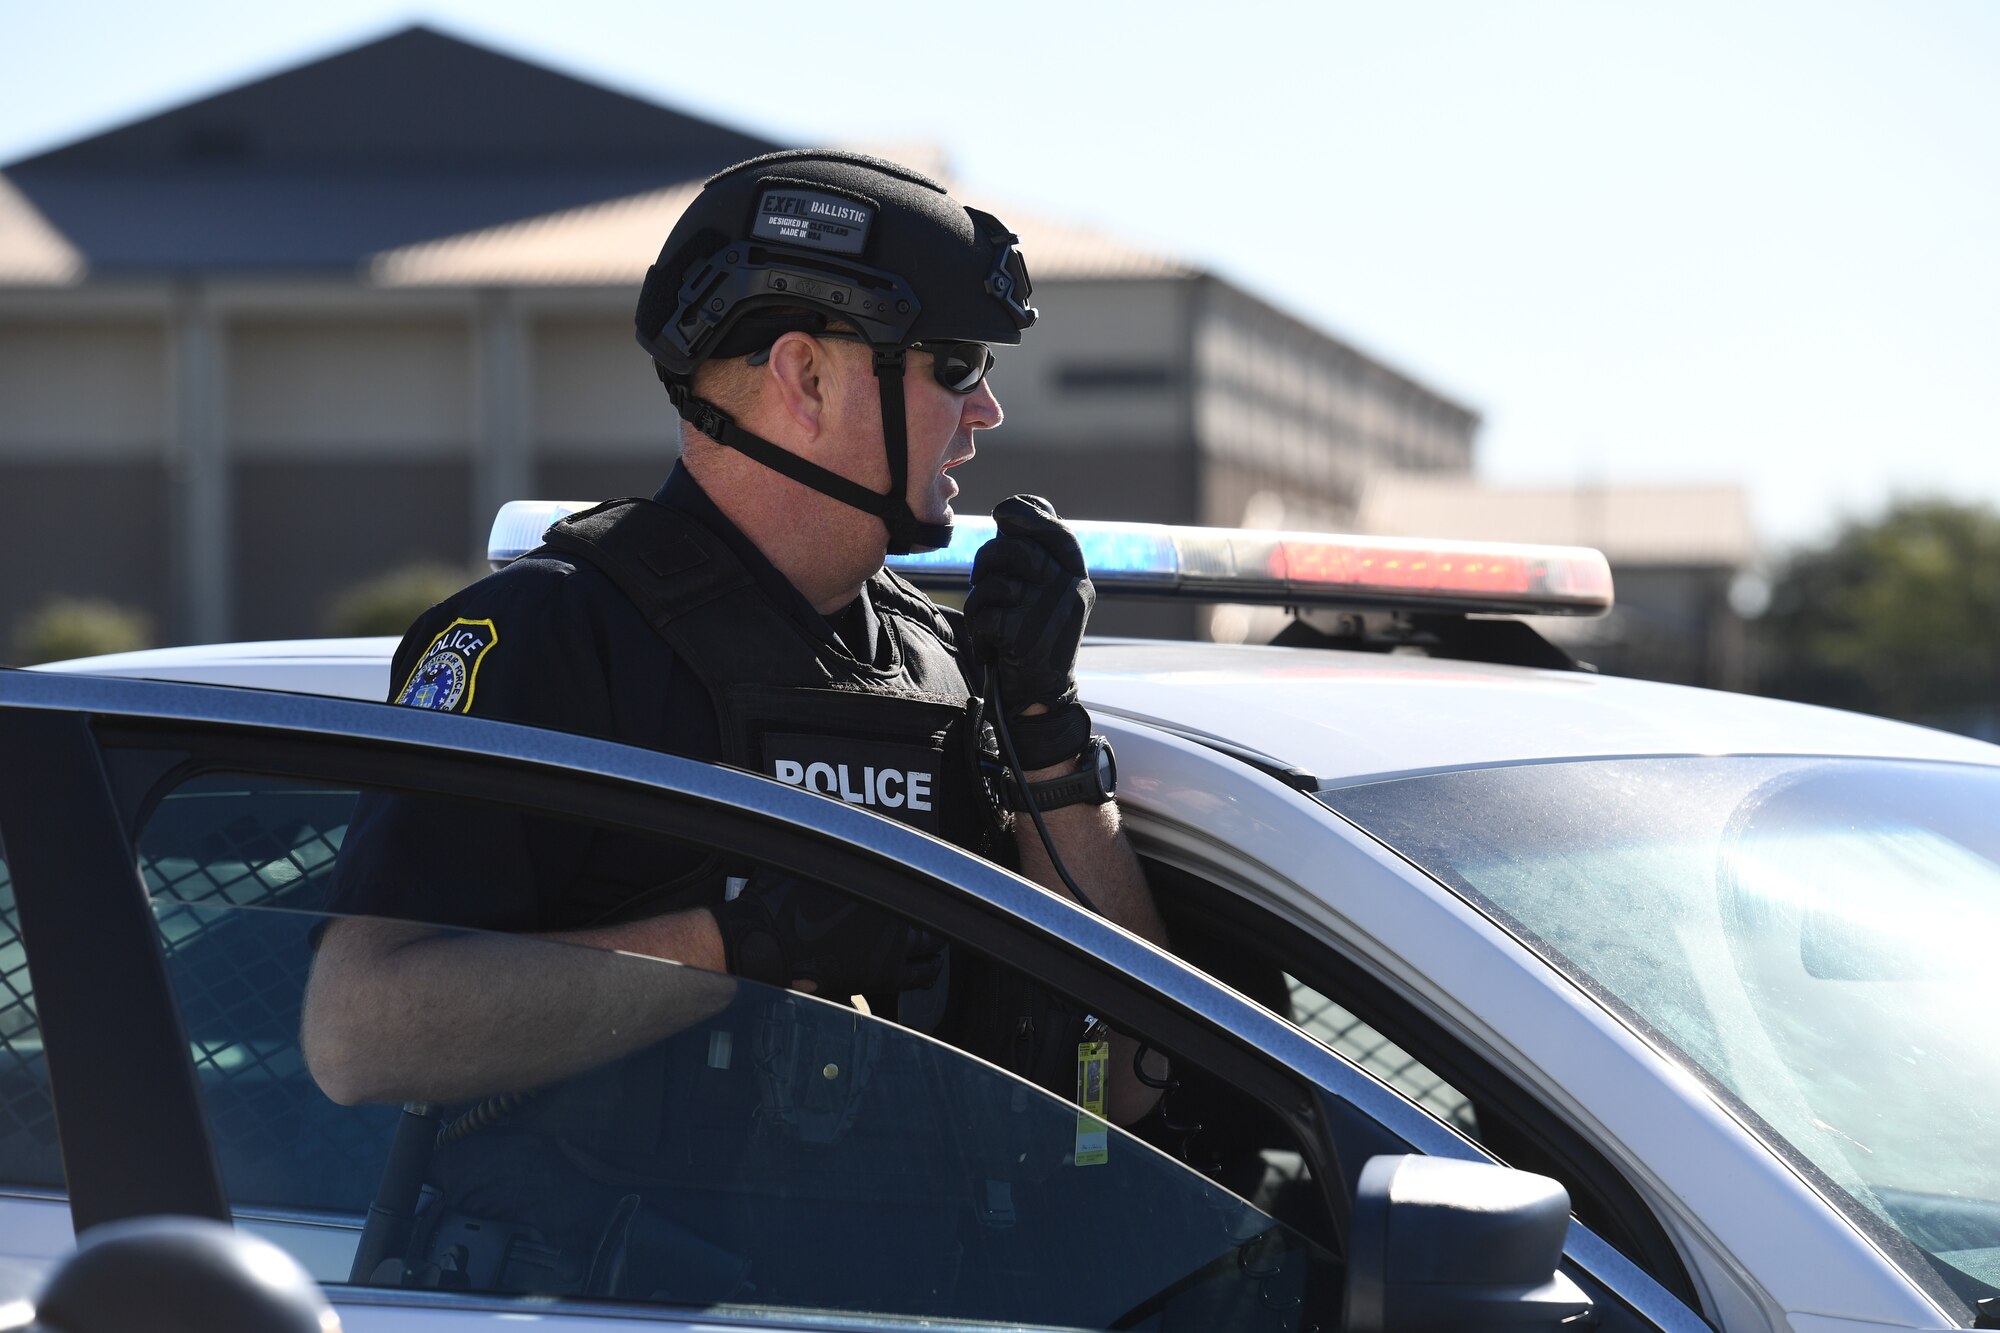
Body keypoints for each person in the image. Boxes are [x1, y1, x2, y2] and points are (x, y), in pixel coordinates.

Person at [302, 151, 1167, 1130]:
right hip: (595, 1286)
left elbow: (1128, 1075)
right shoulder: (548, 639)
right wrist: (744, 946)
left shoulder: (944, 669)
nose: (984, 411)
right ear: (804, 374)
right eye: (955, 365)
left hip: (904, 1278)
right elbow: (358, 1035)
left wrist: (1045, 739)